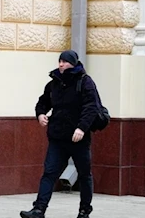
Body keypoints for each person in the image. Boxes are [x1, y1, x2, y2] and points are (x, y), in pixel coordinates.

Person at [20, 50, 99, 218]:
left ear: (73, 63)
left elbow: (91, 107)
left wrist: (82, 128)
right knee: (49, 173)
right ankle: (39, 209)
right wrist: (40, 114)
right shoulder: (55, 82)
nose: (61, 64)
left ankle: (84, 211)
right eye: (60, 61)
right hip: (57, 137)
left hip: (78, 139)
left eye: (65, 61)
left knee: (84, 174)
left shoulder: (85, 82)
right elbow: (43, 101)